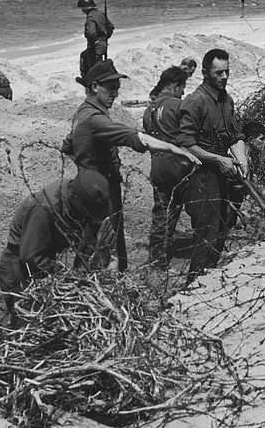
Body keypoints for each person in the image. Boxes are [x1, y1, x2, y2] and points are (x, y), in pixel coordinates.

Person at [62, 59, 199, 271]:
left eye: (117, 88)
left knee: (93, 241)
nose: (115, 93)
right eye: (111, 88)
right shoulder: (95, 119)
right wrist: (174, 149)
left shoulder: (82, 113)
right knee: (106, 244)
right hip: (101, 188)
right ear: (95, 87)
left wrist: (84, 166)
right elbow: (133, 136)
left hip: (92, 185)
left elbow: (67, 146)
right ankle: (106, 288)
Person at [0, 169, 112, 324]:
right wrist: (67, 277)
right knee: (28, 323)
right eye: (87, 211)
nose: (88, 216)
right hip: (19, 269)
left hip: (43, 264)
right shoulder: (45, 209)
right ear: (74, 198)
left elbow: (87, 244)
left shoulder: (77, 202)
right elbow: (31, 257)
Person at [176, 48, 250, 279]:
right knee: (206, 233)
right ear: (206, 73)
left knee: (223, 226)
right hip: (200, 176)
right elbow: (185, 144)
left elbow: (235, 135)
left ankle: (208, 277)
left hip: (223, 172)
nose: (224, 77)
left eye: (227, 72)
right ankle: (194, 282)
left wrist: (242, 159)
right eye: (219, 73)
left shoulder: (226, 100)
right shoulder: (195, 102)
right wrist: (218, 159)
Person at [142, 65, 194, 265]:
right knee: (190, 203)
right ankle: (204, 242)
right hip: (178, 162)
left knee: (160, 210)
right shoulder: (176, 105)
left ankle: (157, 255)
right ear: (174, 85)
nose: (183, 93)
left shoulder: (149, 110)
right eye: (182, 87)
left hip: (157, 164)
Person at [78, 0, 114, 78]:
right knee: (98, 62)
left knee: (91, 66)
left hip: (95, 46)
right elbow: (111, 27)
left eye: (82, 8)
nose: (82, 11)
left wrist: (94, 41)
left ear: (85, 8)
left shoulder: (90, 17)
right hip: (103, 44)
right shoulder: (100, 14)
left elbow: (91, 33)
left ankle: (87, 80)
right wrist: (105, 38)